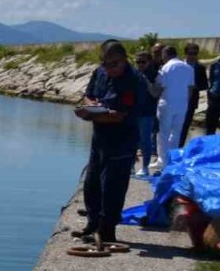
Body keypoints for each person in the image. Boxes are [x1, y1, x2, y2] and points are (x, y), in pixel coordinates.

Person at [75, 41, 146, 244]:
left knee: (112, 187)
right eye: (105, 63)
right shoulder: (101, 73)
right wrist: (92, 106)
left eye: (113, 64)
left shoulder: (133, 81)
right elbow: (89, 95)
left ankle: (106, 232)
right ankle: (92, 224)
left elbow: (119, 115)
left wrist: (90, 115)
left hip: (122, 140)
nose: (109, 68)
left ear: (124, 60)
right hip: (100, 138)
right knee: (92, 184)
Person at [155, 45, 194, 168]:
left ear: (165, 54)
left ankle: (162, 160)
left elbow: (160, 86)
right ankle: (173, 158)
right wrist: (186, 102)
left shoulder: (166, 67)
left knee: (163, 133)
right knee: (176, 132)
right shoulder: (188, 68)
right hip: (182, 104)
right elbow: (190, 88)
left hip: (167, 103)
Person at [133, 51, 159, 177]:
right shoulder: (133, 74)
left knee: (145, 140)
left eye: (143, 62)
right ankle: (131, 166)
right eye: (138, 62)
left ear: (149, 62)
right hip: (134, 111)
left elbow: (156, 93)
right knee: (132, 139)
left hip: (147, 112)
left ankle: (145, 167)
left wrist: (146, 81)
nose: (140, 64)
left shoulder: (154, 74)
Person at [180, 42, 210, 147]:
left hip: (191, 101)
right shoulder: (179, 66)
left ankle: (180, 148)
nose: (193, 56)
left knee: (185, 125)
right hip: (177, 100)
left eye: (195, 53)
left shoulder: (200, 68)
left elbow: (204, 85)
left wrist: (193, 85)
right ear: (186, 54)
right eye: (190, 53)